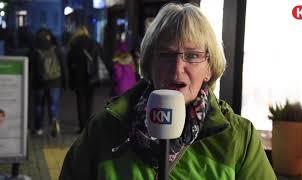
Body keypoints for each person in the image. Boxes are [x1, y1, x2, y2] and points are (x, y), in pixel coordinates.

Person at [60, 3, 276, 179]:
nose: (177, 68)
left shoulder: (238, 139)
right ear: (149, 64)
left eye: (192, 56)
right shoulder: (103, 130)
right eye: (165, 55)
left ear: (209, 68)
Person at [29, 28, 66, 137]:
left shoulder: (34, 50)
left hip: (38, 83)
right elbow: (63, 66)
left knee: (39, 106)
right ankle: (54, 124)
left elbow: (31, 68)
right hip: (55, 81)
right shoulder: (56, 49)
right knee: (53, 105)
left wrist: (31, 82)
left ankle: (39, 128)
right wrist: (65, 82)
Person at [67, 25, 100, 133]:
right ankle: (88, 126)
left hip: (78, 77)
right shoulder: (93, 42)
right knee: (90, 102)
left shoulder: (74, 43)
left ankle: (82, 127)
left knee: (80, 101)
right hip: (91, 76)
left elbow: (69, 62)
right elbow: (98, 58)